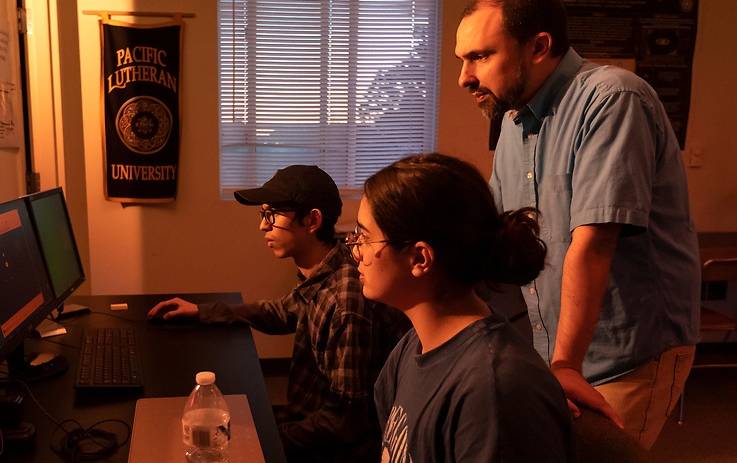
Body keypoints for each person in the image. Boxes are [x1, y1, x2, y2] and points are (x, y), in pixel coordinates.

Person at [455, 0, 700, 449]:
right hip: (558, 351)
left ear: (539, 46)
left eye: (480, 56)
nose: (464, 77)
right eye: (462, 60)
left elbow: (592, 244)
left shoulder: (612, 98)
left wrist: (565, 364)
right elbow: (495, 229)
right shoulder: (513, 122)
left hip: (628, 351)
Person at [148, 165, 410, 463]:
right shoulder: (325, 272)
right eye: (263, 214)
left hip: (332, 451)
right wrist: (203, 311)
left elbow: (346, 422)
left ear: (312, 220)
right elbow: (283, 312)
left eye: (272, 215)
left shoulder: (344, 303)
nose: (263, 226)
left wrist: (268, 438)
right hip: (305, 420)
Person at [356, 153, 576, 462]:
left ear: (420, 259)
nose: (355, 252)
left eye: (365, 238)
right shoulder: (413, 347)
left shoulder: (493, 391)